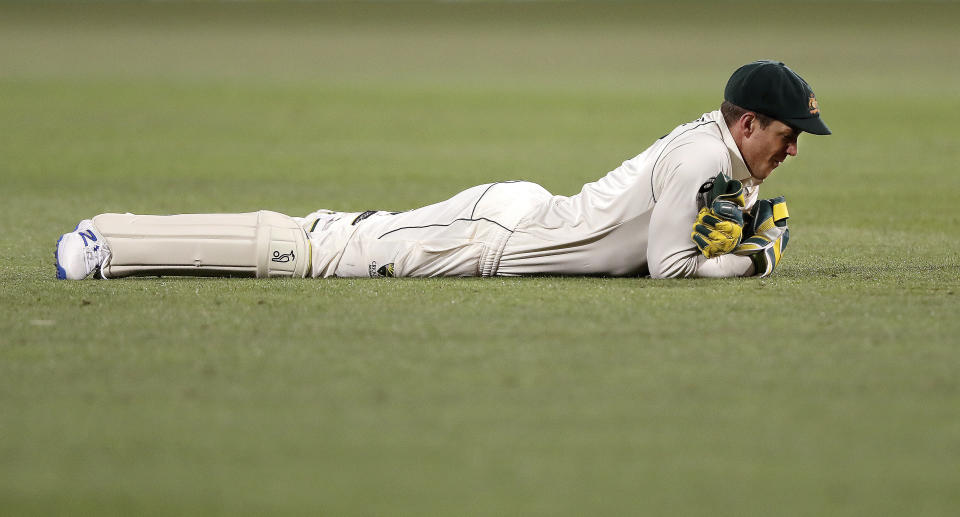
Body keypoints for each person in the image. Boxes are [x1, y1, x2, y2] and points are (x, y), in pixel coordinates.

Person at [54, 60, 830, 281]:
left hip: (520, 216)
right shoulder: (705, 155)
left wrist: (737, 237)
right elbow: (669, 269)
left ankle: (115, 240)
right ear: (747, 121)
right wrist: (753, 259)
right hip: (491, 236)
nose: (793, 151)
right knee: (322, 248)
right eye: (789, 135)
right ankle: (109, 241)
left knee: (328, 240)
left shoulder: (720, 148)